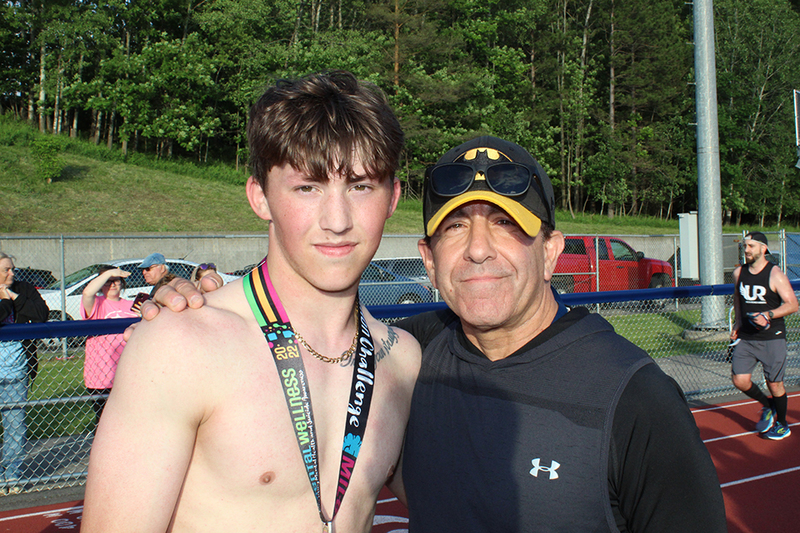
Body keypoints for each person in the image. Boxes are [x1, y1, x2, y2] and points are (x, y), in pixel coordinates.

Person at [150, 136, 728, 532]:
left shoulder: (636, 397)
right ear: (427, 258)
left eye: (506, 224)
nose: (478, 249)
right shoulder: (403, 355)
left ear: (551, 253)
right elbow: (295, 334)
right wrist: (198, 308)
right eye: (455, 228)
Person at [82, 71, 420, 533]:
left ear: (393, 197)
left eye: (361, 186)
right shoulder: (180, 344)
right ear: (260, 197)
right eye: (307, 187)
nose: (337, 220)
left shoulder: (400, 359)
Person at [730, 231, 798, 440]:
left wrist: (768, 314)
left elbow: (793, 305)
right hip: (748, 337)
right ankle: (768, 405)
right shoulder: (738, 273)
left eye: (751, 246)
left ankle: (782, 424)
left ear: (763, 249)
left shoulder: (775, 274)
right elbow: (737, 298)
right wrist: (738, 323)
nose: (746, 250)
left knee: (774, 383)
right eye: (745, 246)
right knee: (739, 380)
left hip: (772, 337)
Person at [0, 252, 48, 489]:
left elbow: (41, 315)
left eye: (12, 269)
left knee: (15, 426)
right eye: (6, 270)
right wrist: (5, 301)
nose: (12, 273)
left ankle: (11, 474)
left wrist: (14, 296)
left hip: (16, 371)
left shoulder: (24, 289)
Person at [80, 266, 139, 423]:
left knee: (129, 420)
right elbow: (87, 293)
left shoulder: (131, 305)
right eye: (108, 281)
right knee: (106, 421)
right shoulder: (97, 304)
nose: (113, 284)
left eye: (116, 281)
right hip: (102, 376)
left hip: (128, 372)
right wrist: (108, 273)